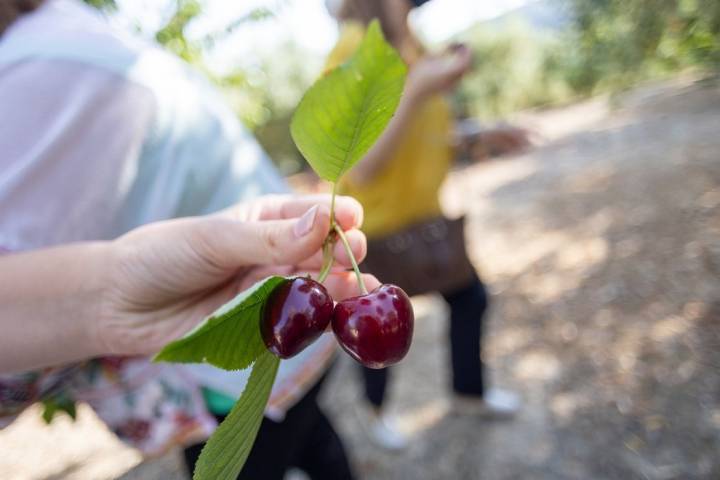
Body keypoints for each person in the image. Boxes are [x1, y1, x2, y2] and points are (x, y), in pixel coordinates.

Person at [0, 1, 363, 477]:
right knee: (307, 434)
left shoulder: (38, 72)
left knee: (269, 447)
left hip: (234, 352)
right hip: (272, 327)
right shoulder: (73, 37)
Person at [324, 0, 522, 451]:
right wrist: (415, 91)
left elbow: (420, 139)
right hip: (376, 228)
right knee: (373, 326)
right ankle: (375, 413)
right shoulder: (355, 51)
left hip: (426, 221)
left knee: (471, 298)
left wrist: (477, 137)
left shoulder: (413, 45)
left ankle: (469, 394)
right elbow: (364, 165)